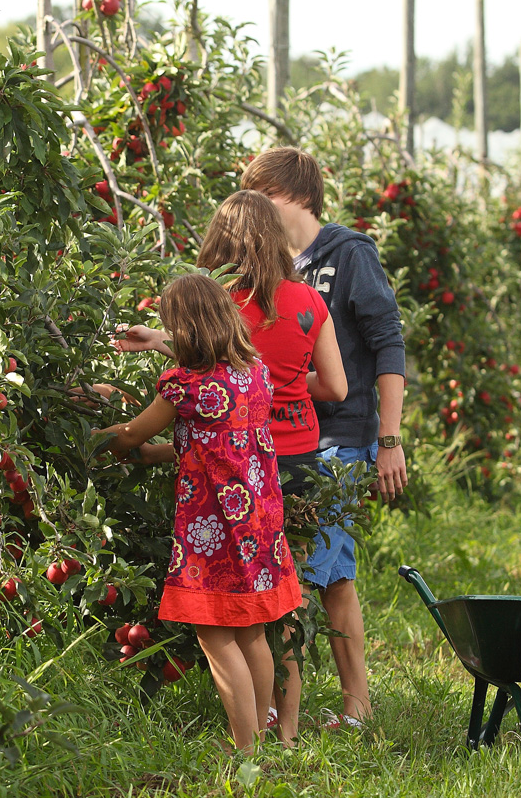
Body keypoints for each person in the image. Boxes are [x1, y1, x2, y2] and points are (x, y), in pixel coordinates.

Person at [115, 190, 347, 741]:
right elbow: (331, 387)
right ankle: (278, 733)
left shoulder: (194, 365)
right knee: (265, 624)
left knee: (217, 631)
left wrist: (102, 436)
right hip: (270, 491)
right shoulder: (274, 349)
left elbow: (144, 423)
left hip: (214, 516)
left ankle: (244, 748)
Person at [96, 273, 304, 754]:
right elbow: (222, 438)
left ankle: (246, 749)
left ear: (184, 329)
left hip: (214, 527)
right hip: (259, 522)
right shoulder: (252, 372)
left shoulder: (185, 385)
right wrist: (169, 450)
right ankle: (266, 737)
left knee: (214, 636)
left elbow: (130, 435)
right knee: (252, 632)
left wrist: (86, 435)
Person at [243, 146, 408, 735]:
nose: (256, 208)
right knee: (325, 572)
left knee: (315, 570)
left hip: (341, 436)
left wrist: (388, 437)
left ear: (297, 197)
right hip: (283, 439)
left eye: (264, 195)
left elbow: (388, 341)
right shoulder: (266, 267)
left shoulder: (349, 254)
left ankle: (321, 709)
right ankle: (337, 704)